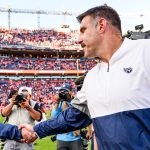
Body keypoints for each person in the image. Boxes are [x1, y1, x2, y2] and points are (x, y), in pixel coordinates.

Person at [19, 4, 150, 150]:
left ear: (101, 25)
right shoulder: (92, 77)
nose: (78, 39)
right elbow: (73, 116)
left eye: (83, 30)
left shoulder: (145, 51)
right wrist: (37, 130)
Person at [51, 83, 83, 150]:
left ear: (71, 92)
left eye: (66, 91)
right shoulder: (60, 102)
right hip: (61, 138)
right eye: (62, 92)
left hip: (75, 138)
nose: (64, 94)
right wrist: (57, 102)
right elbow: (53, 117)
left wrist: (69, 103)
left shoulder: (77, 102)